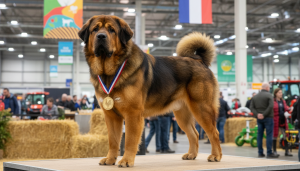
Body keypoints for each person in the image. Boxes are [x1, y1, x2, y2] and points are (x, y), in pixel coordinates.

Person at [250, 82, 278, 158]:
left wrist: (257, 114)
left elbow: (251, 107)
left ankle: (260, 152)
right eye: (269, 88)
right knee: (269, 135)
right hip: (268, 118)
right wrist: (264, 114)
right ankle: (269, 152)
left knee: (260, 135)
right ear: (266, 88)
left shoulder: (255, 96)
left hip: (259, 119)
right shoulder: (269, 95)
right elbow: (271, 106)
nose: (269, 89)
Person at [272, 88, 292, 156]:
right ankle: (274, 151)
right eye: (279, 93)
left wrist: (289, 109)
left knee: (285, 135)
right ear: (276, 94)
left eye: (281, 92)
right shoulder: (273, 101)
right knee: (274, 136)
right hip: (276, 120)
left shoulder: (283, 101)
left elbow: (285, 108)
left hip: (283, 121)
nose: (281, 94)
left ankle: (287, 151)